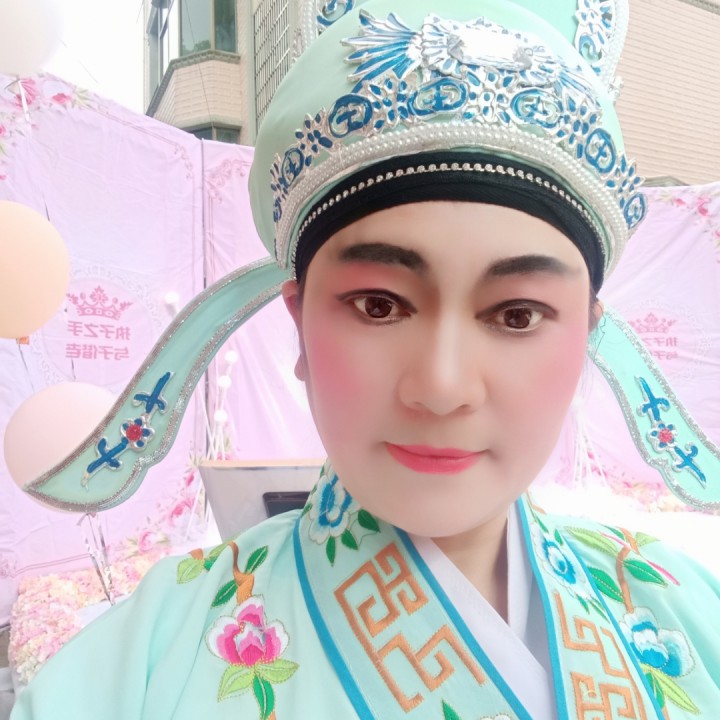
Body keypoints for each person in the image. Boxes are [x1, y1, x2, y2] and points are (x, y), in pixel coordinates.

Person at [11, 0, 720, 718]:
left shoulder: (690, 614)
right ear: (299, 324)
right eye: (379, 305)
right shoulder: (139, 672)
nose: (442, 387)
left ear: (585, 336)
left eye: (517, 315)